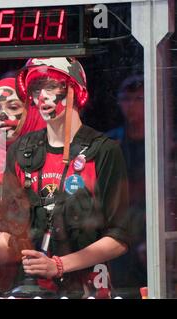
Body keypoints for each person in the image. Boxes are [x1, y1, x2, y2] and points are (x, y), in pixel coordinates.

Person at [0, 57, 131, 298]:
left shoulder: (103, 150)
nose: (42, 95)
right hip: (32, 290)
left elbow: (119, 237)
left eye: (51, 86)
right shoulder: (21, 150)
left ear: (75, 89)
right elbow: (12, 233)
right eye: (35, 88)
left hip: (89, 289)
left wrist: (60, 264)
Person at [0, 77, 45, 290]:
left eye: (13, 106)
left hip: (40, 278)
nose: (2, 116)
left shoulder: (49, 153)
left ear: (31, 110)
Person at [106, 75, 147, 292]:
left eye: (138, 98)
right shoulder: (110, 143)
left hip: (150, 230)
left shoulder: (165, 141)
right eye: (126, 98)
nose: (131, 105)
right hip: (119, 231)